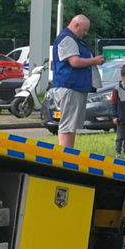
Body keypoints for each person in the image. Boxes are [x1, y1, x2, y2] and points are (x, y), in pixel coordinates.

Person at [51, 15, 105, 149]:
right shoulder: (67, 39)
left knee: (72, 125)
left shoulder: (74, 40)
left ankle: (69, 154)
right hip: (69, 86)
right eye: (84, 30)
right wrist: (94, 61)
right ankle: (64, 155)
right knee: (67, 125)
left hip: (76, 86)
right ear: (76, 25)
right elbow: (75, 62)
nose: (85, 33)